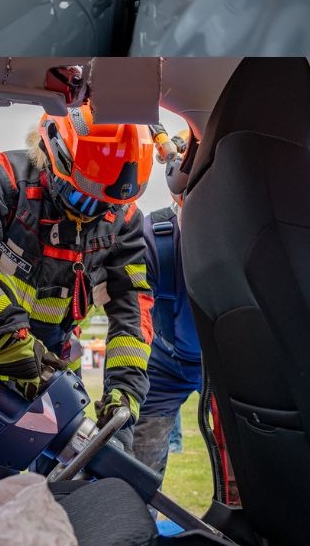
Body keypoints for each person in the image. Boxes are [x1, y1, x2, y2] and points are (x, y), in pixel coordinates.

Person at [0, 104, 156, 494]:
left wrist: (124, 393)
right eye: (86, 200)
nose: (94, 215)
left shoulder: (122, 220)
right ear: (54, 156)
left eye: (108, 205)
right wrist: (5, 334)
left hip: (57, 368)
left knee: (65, 486)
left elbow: (133, 308)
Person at [131, 129, 204, 485]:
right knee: (139, 458)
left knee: (248, 453)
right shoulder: (153, 236)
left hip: (230, 365)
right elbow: (128, 317)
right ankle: (138, 527)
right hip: (165, 362)